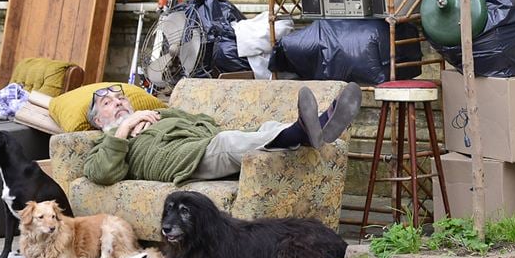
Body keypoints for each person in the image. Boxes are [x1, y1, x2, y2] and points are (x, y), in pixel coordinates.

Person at [82, 82, 362, 186]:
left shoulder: (162, 114)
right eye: (108, 103)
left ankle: (317, 127)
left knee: (264, 129)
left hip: (201, 144)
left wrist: (155, 119)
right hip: (181, 159)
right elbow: (104, 173)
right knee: (228, 143)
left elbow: (204, 120)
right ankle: (309, 128)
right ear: (97, 120)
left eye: (120, 99)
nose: (118, 102)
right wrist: (125, 129)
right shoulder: (102, 144)